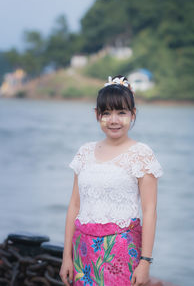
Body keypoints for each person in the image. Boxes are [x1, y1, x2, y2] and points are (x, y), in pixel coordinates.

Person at [59, 75, 164, 286]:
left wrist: (145, 261)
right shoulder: (84, 152)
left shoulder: (141, 154)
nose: (114, 120)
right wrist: (66, 257)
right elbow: (74, 206)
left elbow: (150, 210)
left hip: (122, 251)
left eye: (121, 112)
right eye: (106, 113)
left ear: (132, 115)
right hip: (83, 249)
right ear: (97, 115)